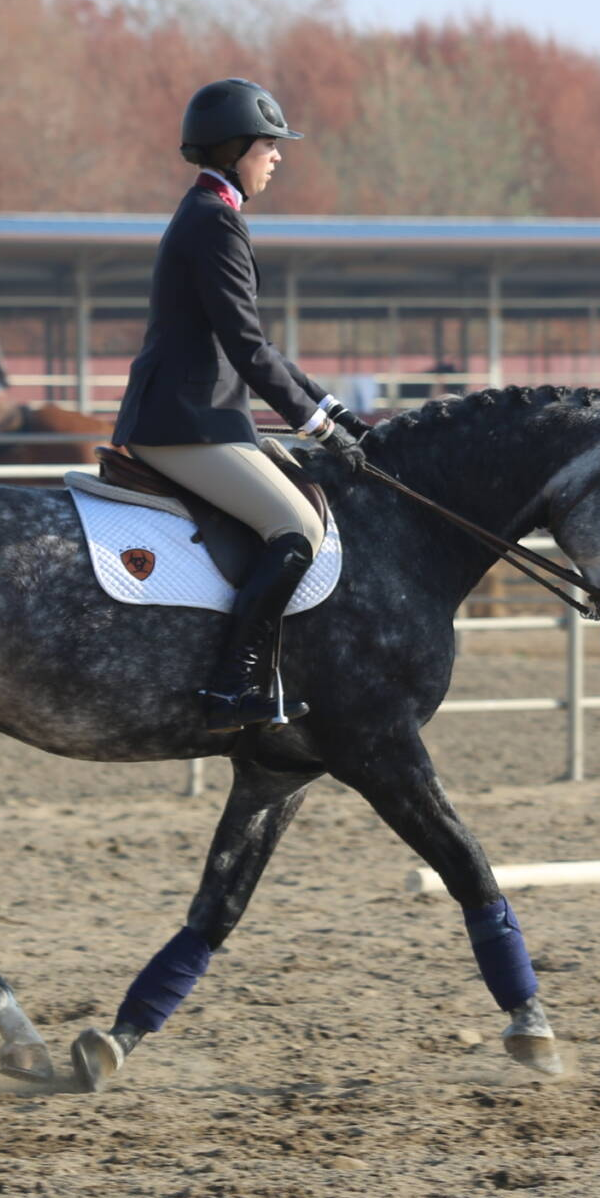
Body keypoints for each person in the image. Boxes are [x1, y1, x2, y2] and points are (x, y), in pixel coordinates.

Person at [112, 78, 371, 731]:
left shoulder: (210, 214)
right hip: (184, 423)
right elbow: (248, 350)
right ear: (235, 149)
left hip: (198, 416)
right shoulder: (214, 223)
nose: (278, 155)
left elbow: (259, 346)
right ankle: (234, 683)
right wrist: (316, 428)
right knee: (297, 528)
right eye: (269, 144)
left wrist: (332, 411)